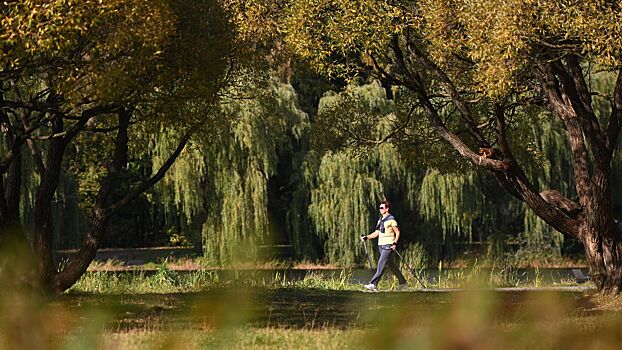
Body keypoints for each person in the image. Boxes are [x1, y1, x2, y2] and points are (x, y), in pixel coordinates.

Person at [360, 200, 407, 291]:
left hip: (388, 245)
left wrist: (394, 243)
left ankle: (373, 284)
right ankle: (403, 282)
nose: (380, 209)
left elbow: (397, 232)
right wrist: (367, 237)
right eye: (380, 208)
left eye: (382, 208)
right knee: (391, 265)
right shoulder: (380, 219)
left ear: (387, 209)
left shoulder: (391, 220)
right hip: (380, 245)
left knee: (381, 264)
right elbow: (377, 232)